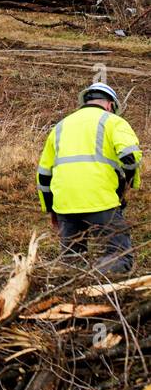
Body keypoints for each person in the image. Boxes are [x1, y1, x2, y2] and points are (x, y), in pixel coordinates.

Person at [37, 82, 142, 274]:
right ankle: (98, 281)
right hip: (100, 201)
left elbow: (44, 174)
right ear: (110, 105)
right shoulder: (113, 121)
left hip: (65, 205)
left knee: (71, 262)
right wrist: (126, 186)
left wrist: (51, 209)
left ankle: (73, 291)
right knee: (120, 256)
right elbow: (130, 157)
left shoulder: (60, 127)